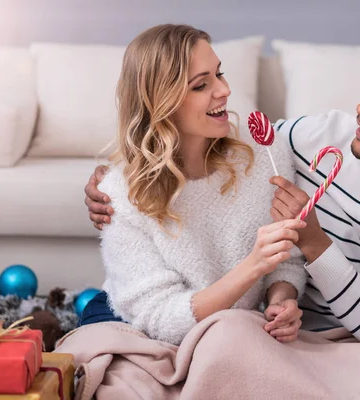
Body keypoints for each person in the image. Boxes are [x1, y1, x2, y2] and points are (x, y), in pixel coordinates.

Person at [83, 34, 360, 398]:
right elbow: (207, 148)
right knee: (230, 335)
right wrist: (115, 179)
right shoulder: (314, 138)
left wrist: (315, 243)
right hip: (275, 341)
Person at [81, 23, 309, 346]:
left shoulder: (264, 155)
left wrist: (281, 300)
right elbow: (162, 321)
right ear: (162, 103)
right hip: (137, 324)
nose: (224, 90)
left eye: (220, 73)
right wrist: (252, 266)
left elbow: (285, 260)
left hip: (226, 332)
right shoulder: (121, 194)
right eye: (201, 85)